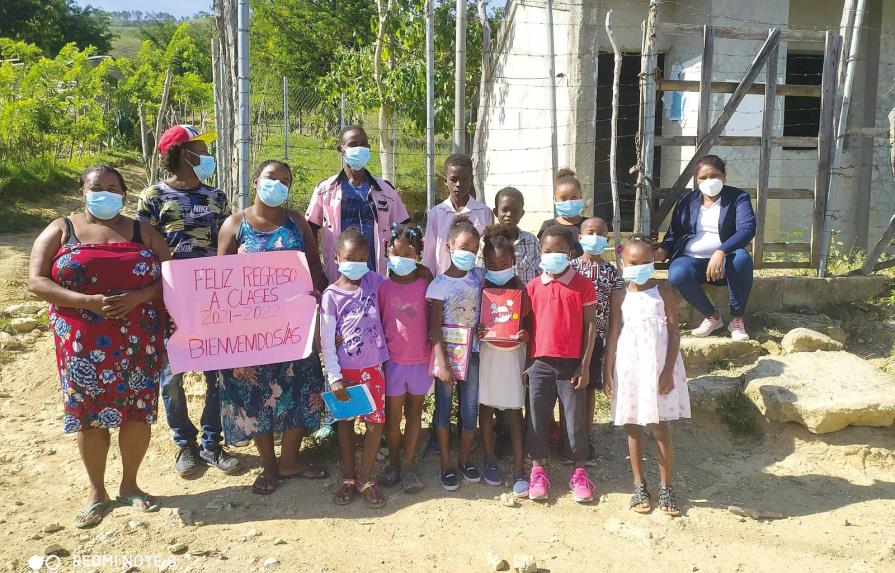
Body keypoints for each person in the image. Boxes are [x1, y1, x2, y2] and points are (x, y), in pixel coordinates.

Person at [29, 165, 171, 528]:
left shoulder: (144, 231)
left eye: (113, 187)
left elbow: (172, 278)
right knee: (89, 413)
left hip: (139, 338)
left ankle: (130, 486)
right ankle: (97, 492)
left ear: (124, 193)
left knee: (138, 411)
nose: (105, 193)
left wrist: (140, 296)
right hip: (81, 342)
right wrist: (84, 301)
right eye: (97, 187)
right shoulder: (63, 229)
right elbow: (36, 281)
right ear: (82, 192)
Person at [215, 160, 329, 495]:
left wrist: (321, 295)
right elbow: (217, 283)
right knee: (254, 394)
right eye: (271, 178)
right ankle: (268, 463)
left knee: (300, 386)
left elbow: (313, 265)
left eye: (285, 180)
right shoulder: (235, 226)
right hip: (249, 333)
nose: (277, 185)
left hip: (293, 329)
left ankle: (291, 459)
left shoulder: (297, 223)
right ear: (255, 181)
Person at [136, 124, 239, 477]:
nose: (207, 155)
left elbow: (230, 246)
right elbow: (143, 250)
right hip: (170, 302)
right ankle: (185, 444)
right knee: (171, 377)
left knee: (219, 374)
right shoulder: (153, 198)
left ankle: (213, 442)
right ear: (182, 153)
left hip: (213, 301)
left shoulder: (217, 196)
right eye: (201, 147)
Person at [603, 236, 690, 516]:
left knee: (660, 427)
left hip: (658, 368)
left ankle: (666, 488)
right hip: (629, 369)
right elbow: (614, 334)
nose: (638, 267)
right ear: (622, 263)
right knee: (633, 426)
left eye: (644, 263)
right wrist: (607, 370)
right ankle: (639, 485)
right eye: (632, 263)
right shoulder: (619, 295)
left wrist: (667, 371)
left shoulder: (663, 291)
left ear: (653, 263)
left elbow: (675, 332)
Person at [525, 225, 598, 503]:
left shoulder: (583, 285)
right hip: (539, 363)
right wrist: (527, 363)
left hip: (571, 365)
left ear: (571, 253)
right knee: (536, 417)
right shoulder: (532, 286)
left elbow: (591, 325)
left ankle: (579, 471)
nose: (553, 255)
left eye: (559, 251)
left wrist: (585, 364)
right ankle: (538, 470)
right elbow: (527, 325)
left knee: (574, 420)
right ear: (540, 252)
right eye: (547, 251)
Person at [321, 228, 390, 508]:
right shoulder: (331, 295)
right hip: (345, 374)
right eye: (350, 257)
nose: (356, 263)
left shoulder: (375, 282)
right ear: (337, 257)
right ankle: (348, 478)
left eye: (362, 258)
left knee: (375, 425)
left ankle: (365, 478)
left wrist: (421, 272)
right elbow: (327, 341)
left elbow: (398, 287)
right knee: (346, 425)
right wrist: (334, 377)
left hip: (373, 370)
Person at [655, 154, 755, 341]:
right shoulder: (686, 201)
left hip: (726, 261)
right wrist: (663, 251)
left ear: (724, 176)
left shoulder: (738, 198)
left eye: (715, 176)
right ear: (696, 179)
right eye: (703, 177)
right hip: (692, 260)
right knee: (677, 272)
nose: (709, 181)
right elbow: (674, 233)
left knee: (742, 258)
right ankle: (712, 317)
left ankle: (737, 320)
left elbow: (747, 229)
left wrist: (721, 251)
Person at [306, 125, 411, 283]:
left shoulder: (386, 191)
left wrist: (399, 267)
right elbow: (310, 230)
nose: (359, 148)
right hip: (337, 277)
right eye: (353, 144)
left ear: (369, 148)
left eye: (363, 144)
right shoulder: (324, 190)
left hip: (376, 275)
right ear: (341, 149)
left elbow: (403, 230)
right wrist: (315, 270)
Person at [426, 216, 485, 491]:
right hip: (446, 358)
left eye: (474, 249)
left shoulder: (479, 278)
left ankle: (463, 459)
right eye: (463, 247)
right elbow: (434, 329)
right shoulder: (438, 284)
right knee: (444, 408)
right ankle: (445, 465)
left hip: (472, 355)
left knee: (470, 408)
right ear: (449, 246)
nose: (469, 254)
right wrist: (442, 363)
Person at [377, 224, 432, 493]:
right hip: (393, 364)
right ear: (388, 252)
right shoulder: (382, 287)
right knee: (392, 417)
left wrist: (430, 275)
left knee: (414, 414)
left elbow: (436, 314)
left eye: (408, 257)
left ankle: (409, 467)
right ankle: (394, 463)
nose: (401, 261)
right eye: (396, 255)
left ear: (418, 256)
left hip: (420, 362)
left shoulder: (426, 284)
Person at [476, 224, 530, 495]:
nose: (498, 268)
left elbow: (530, 323)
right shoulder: (480, 286)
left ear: (514, 261)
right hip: (488, 355)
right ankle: (489, 461)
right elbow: (473, 323)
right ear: (484, 263)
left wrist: (525, 334)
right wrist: (478, 331)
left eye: (504, 263)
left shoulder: (522, 288)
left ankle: (520, 468)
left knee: (513, 412)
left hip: (511, 359)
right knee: (485, 409)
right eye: (492, 264)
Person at [569, 217, 623, 464]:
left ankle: (586, 438)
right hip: (568, 338)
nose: (596, 237)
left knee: (588, 389)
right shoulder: (569, 268)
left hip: (596, 338)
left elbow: (615, 314)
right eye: (591, 232)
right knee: (568, 388)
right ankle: (567, 438)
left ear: (608, 240)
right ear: (580, 238)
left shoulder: (612, 273)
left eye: (602, 233)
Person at [423, 154, 494, 274]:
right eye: (453, 179)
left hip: (475, 282)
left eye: (464, 179)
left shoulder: (484, 213)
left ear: (471, 180)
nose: (459, 184)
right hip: (443, 282)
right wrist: (430, 280)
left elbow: (488, 251)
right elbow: (429, 253)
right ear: (446, 181)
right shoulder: (436, 213)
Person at [492, 186, 541, 284]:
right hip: (496, 298)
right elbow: (480, 274)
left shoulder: (531, 241)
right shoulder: (487, 242)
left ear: (522, 213)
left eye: (514, 210)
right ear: (495, 212)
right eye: (504, 210)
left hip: (526, 297)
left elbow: (540, 274)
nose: (509, 214)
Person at [537, 168, 586, 258]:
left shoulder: (588, 225)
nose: (569, 202)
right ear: (555, 199)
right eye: (563, 198)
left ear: (581, 196)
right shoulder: (548, 226)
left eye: (574, 197)